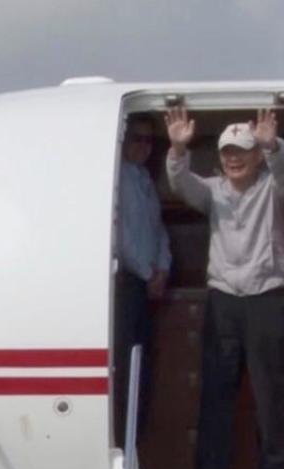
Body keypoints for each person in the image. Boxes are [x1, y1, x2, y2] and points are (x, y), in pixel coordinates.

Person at [164, 106, 284, 469]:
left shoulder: (274, 188)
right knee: (217, 387)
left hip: (268, 295)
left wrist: (275, 146)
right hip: (224, 298)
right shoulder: (212, 190)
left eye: (242, 151)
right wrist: (177, 148)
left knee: (270, 391)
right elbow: (179, 183)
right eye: (227, 152)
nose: (234, 159)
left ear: (256, 156)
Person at [113, 113, 171, 450]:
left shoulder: (144, 180)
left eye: (150, 141)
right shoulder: (117, 178)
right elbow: (121, 237)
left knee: (144, 368)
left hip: (146, 285)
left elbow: (157, 229)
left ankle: (137, 445)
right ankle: (123, 444)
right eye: (137, 139)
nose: (144, 147)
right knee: (125, 368)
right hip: (127, 283)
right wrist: (150, 274)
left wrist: (163, 268)